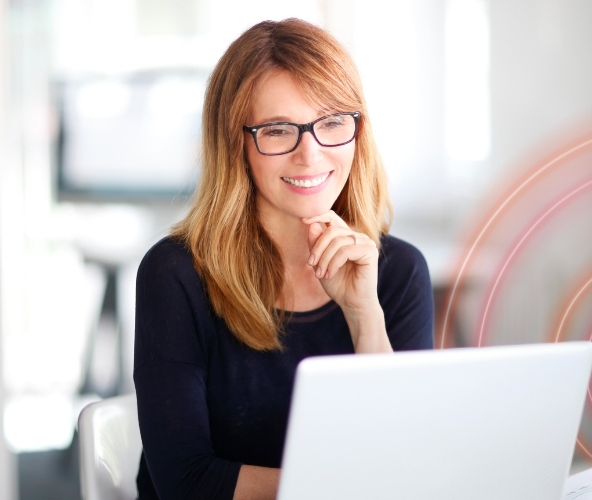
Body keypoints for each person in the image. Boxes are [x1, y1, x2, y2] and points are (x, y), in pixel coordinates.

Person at [133, 18, 434, 500]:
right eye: (277, 130)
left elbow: (408, 463)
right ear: (237, 145)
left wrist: (364, 316)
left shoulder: (397, 271)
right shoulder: (175, 275)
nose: (310, 155)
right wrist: (339, 489)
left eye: (332, 123)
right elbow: (185, 481)